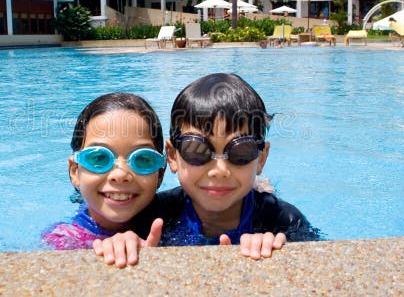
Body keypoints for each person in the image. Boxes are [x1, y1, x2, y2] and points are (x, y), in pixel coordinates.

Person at [94, 73, 320, 266]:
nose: (219, 170)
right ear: (172, 156)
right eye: (197, 149)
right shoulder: (154, 216)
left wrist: (278, 248)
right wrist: (120, 243)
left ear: (261, 158)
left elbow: (319, 264)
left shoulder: (283, 220)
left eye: (241, 151)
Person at [41, 93, 166, 250]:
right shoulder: (64, 241)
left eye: (142, 159)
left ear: (160, 174)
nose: (120, 175)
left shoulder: (177, 216)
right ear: (74, 171)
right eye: (99, 158)